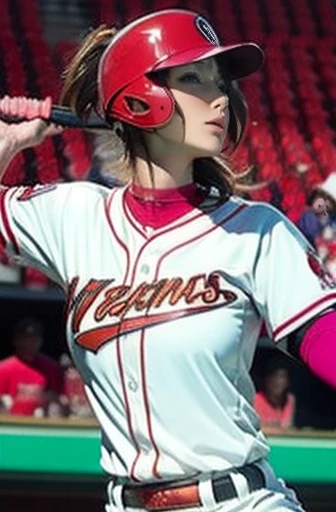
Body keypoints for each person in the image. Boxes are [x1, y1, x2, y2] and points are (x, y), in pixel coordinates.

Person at [0, 8, 335, 511]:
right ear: (138, 95)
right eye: (193, 78)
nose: (219, 96)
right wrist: (8, 142)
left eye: (219, 81)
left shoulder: (256, 230)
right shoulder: (72, 215)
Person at [0, 317, 64, 416]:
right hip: (11, 422)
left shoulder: (52, 367)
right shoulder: (4, 368)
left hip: (42, 423)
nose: (30, 342)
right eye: (25, 338)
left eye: (34, 338)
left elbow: (59, 398)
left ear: (41, 341)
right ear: (15, 341)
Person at [254, 358, 295, 429]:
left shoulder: (290, 399)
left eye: (282, 377)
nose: (278, 382)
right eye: (274, 376)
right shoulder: (255, 399)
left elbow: (288, 427)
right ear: (266, 379)